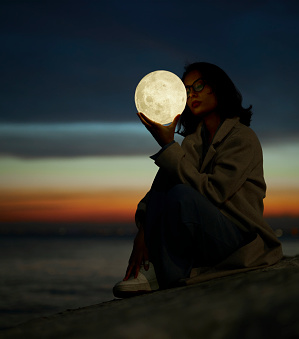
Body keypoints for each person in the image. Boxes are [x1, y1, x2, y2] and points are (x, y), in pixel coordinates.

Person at [113, 62, 283, 298]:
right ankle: (153, 271)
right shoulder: (194, 141)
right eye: (186, 89)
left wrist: (168, 146)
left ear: (218, 88)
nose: (191, 93)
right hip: (206, 233)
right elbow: (162, 185)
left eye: (198, 86)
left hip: (237, 236)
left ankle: (163, 277)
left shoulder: (242, 138)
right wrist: (143, 231)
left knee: (181, 194)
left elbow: (214, 192)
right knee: (169, 182)